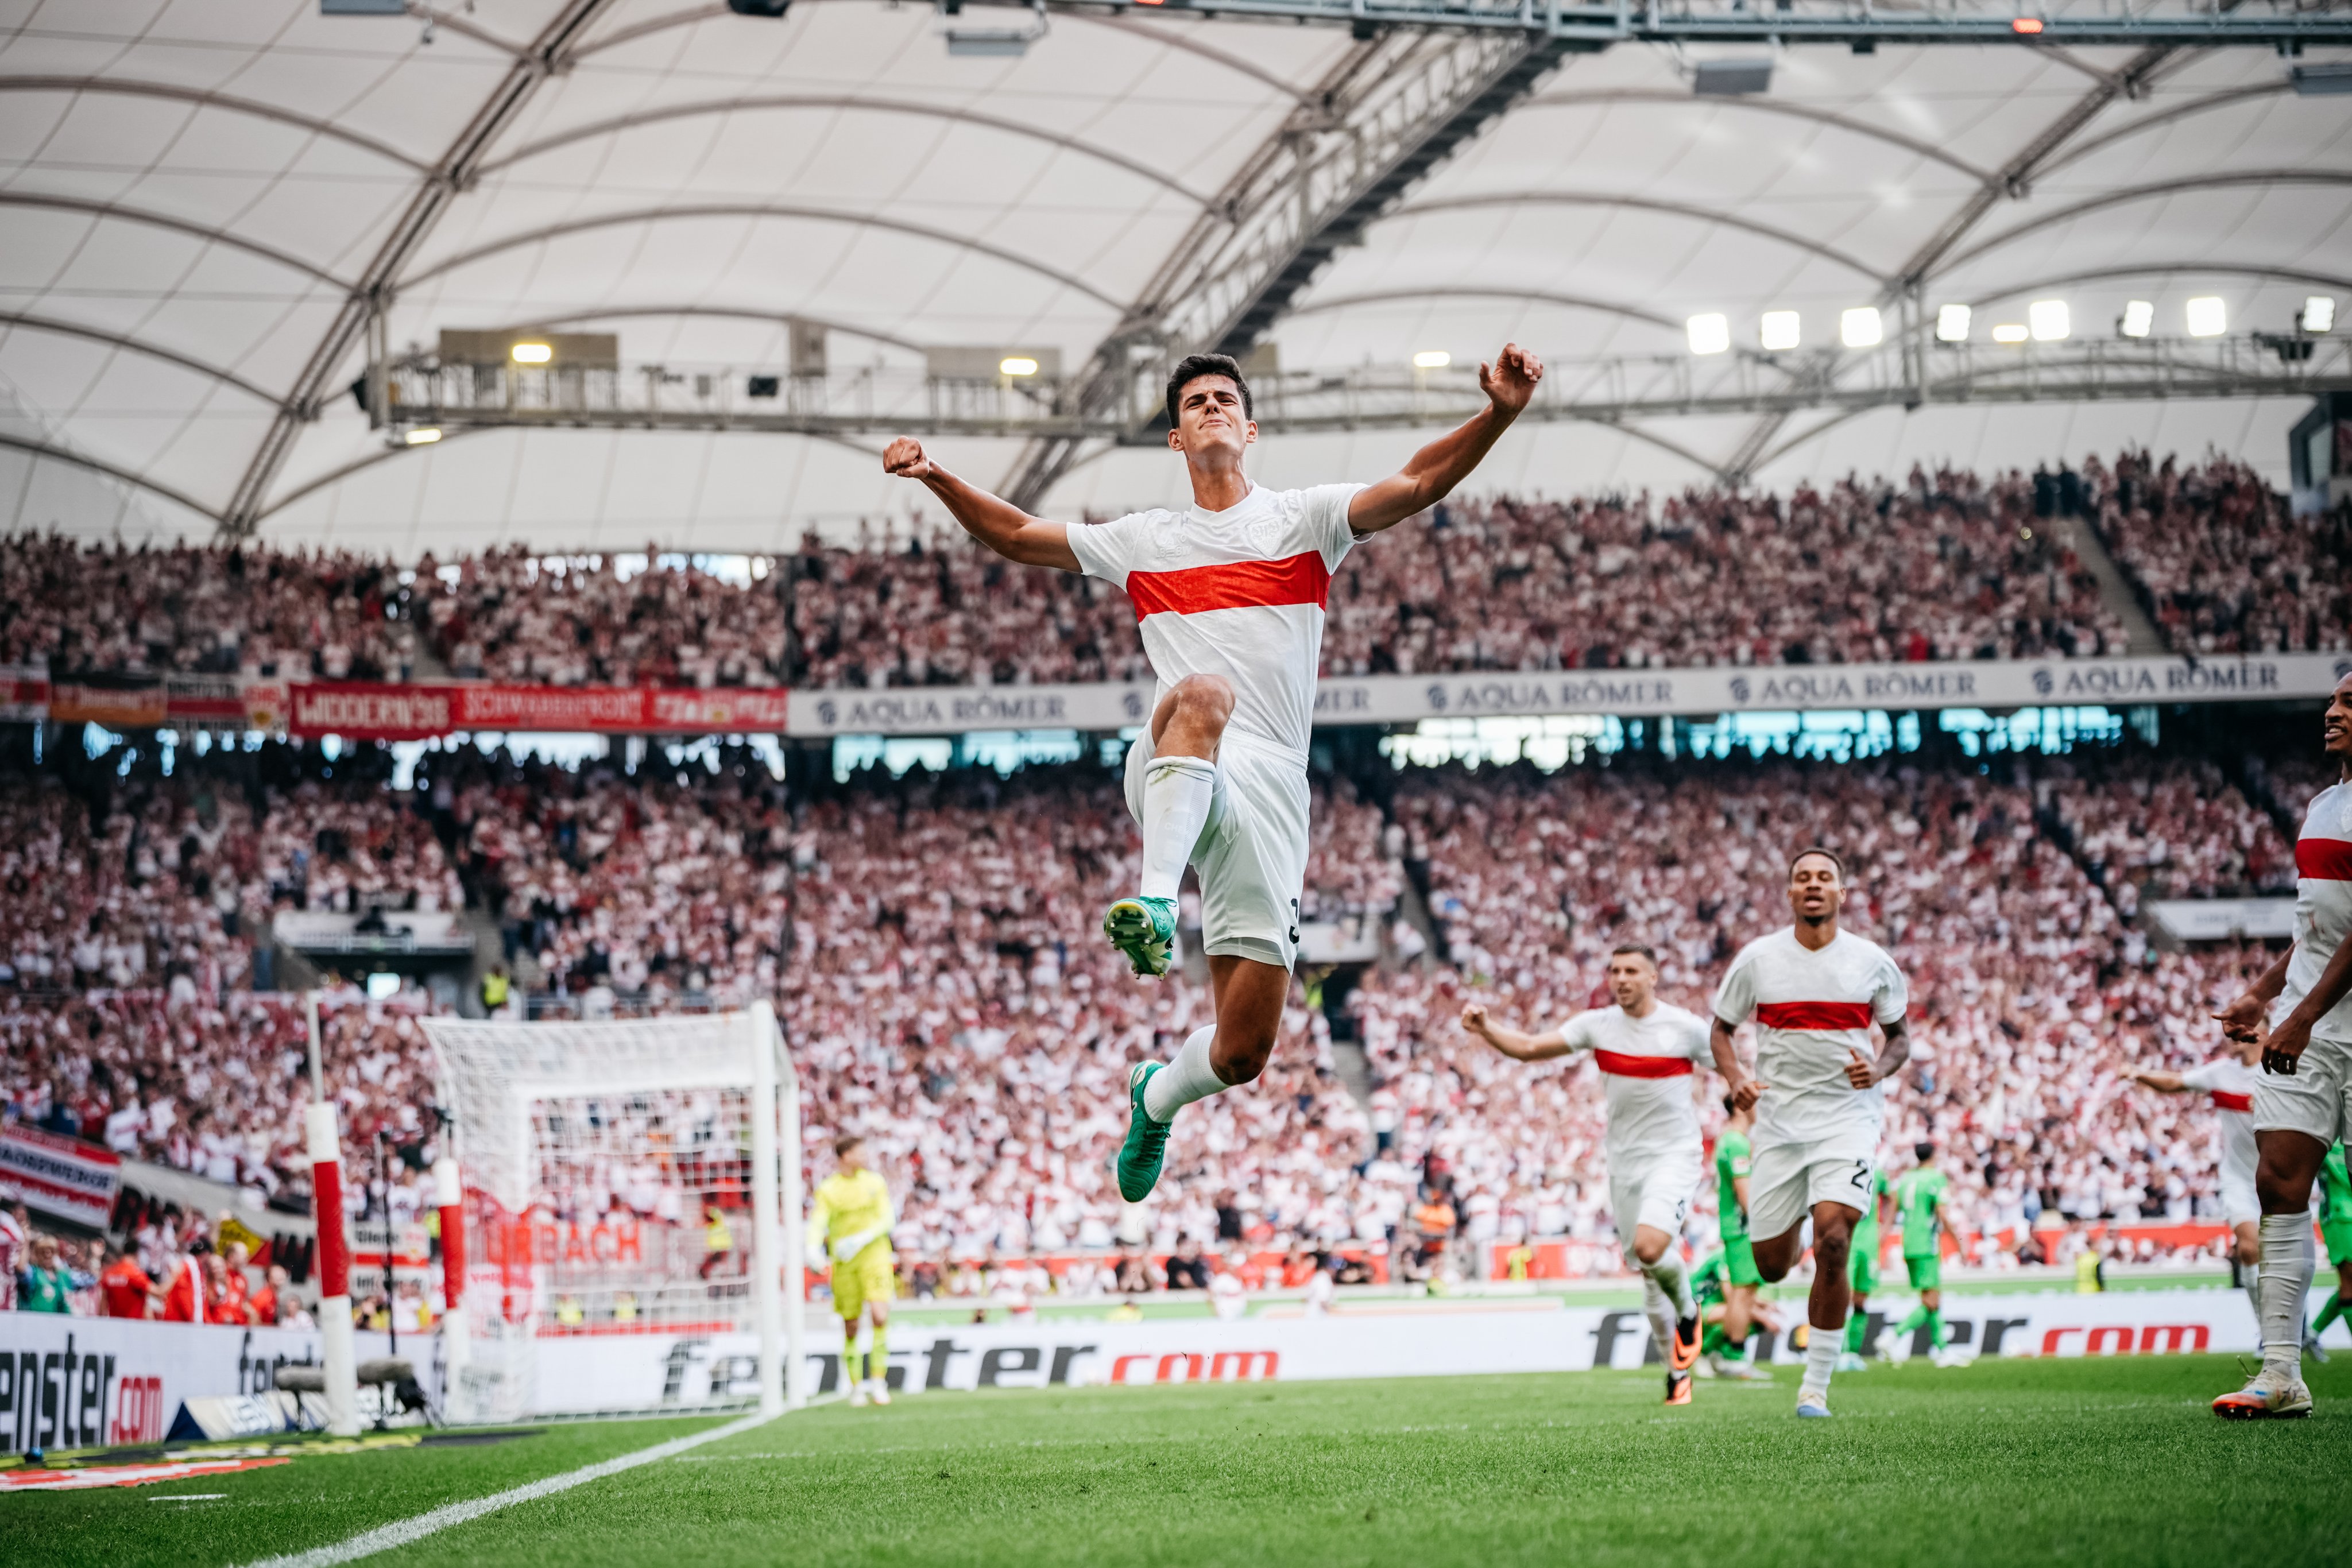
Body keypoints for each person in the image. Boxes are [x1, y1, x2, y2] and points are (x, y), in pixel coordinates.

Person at [883, 342, 1545, 1205]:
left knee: (1242, 1052)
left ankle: (1155, 1097)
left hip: (1270, 790)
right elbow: (1015, 534)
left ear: (1250, 427)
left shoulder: (1305, 520)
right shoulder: (1145, 539)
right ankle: (1157, 903)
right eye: (1195, 402)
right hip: (1176, 757)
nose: (1211, 409)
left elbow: (1419, 483)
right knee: (1202, 691)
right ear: (1176, 438)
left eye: (1225, 399)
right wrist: (935, 474)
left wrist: (1498, 414)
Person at [1711, 847, 1912, 1419]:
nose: (1814, 884)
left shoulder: (1871, 962)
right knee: (1772, 1265)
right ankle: (1797, 1221)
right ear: (1790, 892)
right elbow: (1720, 1030)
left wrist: (1878, 1068)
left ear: (1841, 893)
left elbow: (1900, 1038)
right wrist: (1736, 1079)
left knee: (1835, 1239)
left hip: (1847, 1119)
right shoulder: (1758, 960)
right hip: (1779, 1126)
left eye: (1825, 877)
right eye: (1803, 878)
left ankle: (1815, 1387)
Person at [1464, 944, 1712, 1406]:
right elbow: (1530, 1048)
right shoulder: (1598, 1025)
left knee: (1651, 1248)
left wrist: (1750, 1089)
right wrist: (1486, 1028)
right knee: (1648, 1271)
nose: (1621, 978)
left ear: (1653, 977)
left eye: (1632, 970)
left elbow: (1732, 1065)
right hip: (1624, 1163)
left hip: (1674, 1155)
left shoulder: (1686, 1028)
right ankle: (1677, 1373)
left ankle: (1688, 1308)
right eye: (1615, 970)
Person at [2212, 672, 2352, 1418]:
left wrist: (2300, 1014)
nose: (2332, 711)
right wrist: (2264, 995)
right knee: (2278, 1179)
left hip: (2323, 1019)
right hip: (2311, 1022)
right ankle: (2281, 1371)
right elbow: (2316, 929)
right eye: (2333, 699)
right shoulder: (2324, 803)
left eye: (2350, 702)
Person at [2125, 1037, 2262, 1327]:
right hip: (2239, 1179)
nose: (2233, 1031)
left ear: (2262, 1032)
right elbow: (2175, 1082)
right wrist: (2137, 1073)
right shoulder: (2222, 1072)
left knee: (2288, 1261)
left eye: (2244, 1023)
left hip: (2280, 1179)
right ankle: (2268, 1332)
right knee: (2250, 1249)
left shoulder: (2281, 1073)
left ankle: (2299, 1329)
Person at [807, 1135, 896, 1408]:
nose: (865, 1156)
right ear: (845, 1156)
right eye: (860, 1152)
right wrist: (812, 1248)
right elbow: (818, 1221)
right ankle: (856, 1386)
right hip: (845, 1262)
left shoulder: (874, 1182)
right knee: (851, 1325)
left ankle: (879, 1382)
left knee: (880, 1315)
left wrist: (863, 1238)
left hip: (875, 1256)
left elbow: (888, 1218)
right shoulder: (829, 1189)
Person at [1711, 1092, 1767, 1380]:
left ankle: (1728, 1354)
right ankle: (1735, 1356)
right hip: (1743, 1227)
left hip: (1735, 1226)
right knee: (1744, 1292)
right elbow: (1744, 1191)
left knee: (1741, 1291)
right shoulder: (1736, 1142)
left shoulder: (1730, 1140)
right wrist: (1762, 1224)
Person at [1891, 1143, 1958, 1366]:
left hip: (1908, 1242)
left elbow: (1896, 1207)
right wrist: (1958, 1242)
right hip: (1926, 1244)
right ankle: (1893, 1336)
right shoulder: (1936, 1178)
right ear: (1934, 1156)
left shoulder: (1906, 1178)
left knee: (1931, 1298)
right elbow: (1942, 1213)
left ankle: (1942, 1349)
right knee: (1932, 1300)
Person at [1841, 1168, 1889, 1372]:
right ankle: (1841, 1352)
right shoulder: (1842, 1167)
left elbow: (1892, 1197)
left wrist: (1885, 1228)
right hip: (1847, 1240)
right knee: (1844, 1297)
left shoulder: (1877, 1172)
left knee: (1861, 1300)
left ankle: (1853, 1352)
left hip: (1869, 1243)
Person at [2310, 1144, 2351, 1347]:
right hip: (2339, 1215)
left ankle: (2311, 1333)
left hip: (2343, 1213)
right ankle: (2311, 1333)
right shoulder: (2329, 1140)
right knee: (2350, 1279)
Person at [16, 1234, 74, 1313]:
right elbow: (21, 1269)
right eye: (43, 1252)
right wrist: (26, 1241)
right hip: (34, 1317)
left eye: (52, 1251)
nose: (48, 1254)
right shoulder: (33, 1273)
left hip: (58, 1318)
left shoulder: (63, 1276)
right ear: (37, 1254)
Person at [99, 1242, 157, 1318]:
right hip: (134, 1323)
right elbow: (159, 1292)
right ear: (137, 1254)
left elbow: (103, 1304)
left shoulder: (110, 1273)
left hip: (115, 1322)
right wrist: (172, 1276)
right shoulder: (135, 1274)